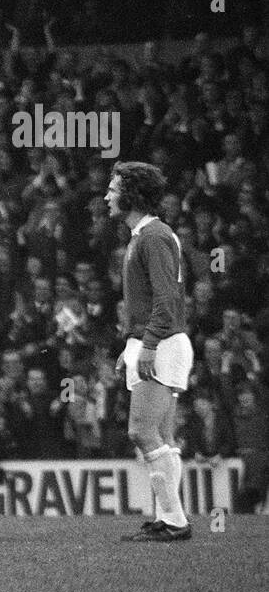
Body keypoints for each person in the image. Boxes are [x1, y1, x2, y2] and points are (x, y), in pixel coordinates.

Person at [108, 162, 194, 541]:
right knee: (162, 433)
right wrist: (131, 344)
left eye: (113, 187)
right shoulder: (148, 234)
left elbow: (167, 298)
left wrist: (147, 343)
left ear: (132, 195)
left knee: (141, 431)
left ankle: (175, 520)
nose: (107, 194)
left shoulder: (152, 236)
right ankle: (167, 518)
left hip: (161, 343)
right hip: (158, 342)